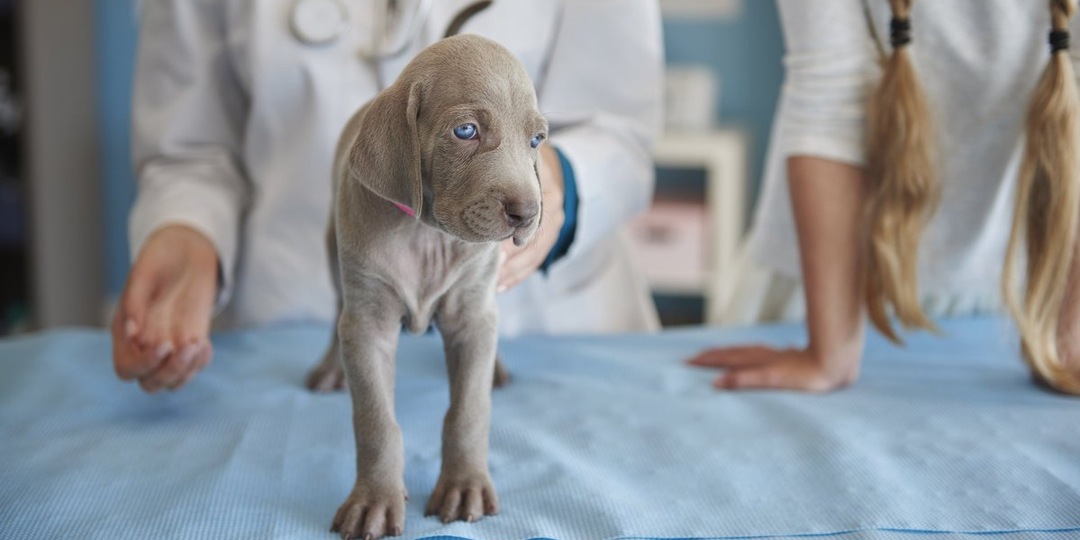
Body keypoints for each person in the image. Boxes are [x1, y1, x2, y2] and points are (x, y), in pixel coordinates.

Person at [111, 0, 663, 393]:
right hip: (292, 323)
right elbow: (191, 146)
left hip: (541, 329)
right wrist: (188, 225)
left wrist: (549, 176)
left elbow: (621, 132)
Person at [690, 0, 1080, 394]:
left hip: (1023, 290)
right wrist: (829, 354)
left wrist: (1069, 340)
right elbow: (829, 100)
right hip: (825, 287)